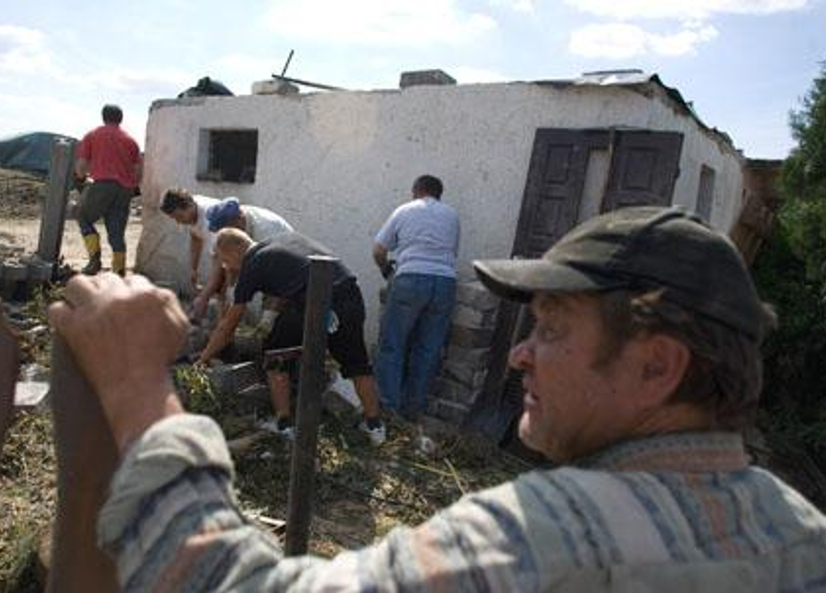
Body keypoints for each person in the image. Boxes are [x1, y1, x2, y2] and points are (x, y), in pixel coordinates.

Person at [49, 207, 826, 591]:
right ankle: (374, 425)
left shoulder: (547, 536)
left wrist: (140, 387)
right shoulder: (800, 533)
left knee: (288, 358)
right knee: (351, 365)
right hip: (342, 301)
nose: (519, 352)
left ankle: (294, 423)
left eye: (550, 330)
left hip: (312, 314)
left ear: (657, 365)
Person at [194, 228, 385, 443]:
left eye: (225, 260)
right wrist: (270, 318)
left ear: (233, 251)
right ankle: (375, 426)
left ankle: (284, 425)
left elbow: (229, 324)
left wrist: (204, 358)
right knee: (356, 363)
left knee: (274, 354)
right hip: (349, 295)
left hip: (315, 301)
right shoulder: (283, 240)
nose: (226, 266)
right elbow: (289, 284)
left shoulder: (252, 264)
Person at [373, 174, 460, 420]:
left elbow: (379, 250)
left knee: (392, 345)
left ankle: (389, 409)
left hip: (410, 280)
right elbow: (452, 252)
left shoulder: (405, 210)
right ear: (438, 194)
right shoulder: (452, 215)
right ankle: (413, 411)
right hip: (444, 283)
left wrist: (386, 270)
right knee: (428, 349)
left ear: (416, 191)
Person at [160, 191, 293, 317]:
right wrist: (194, 269)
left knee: (273, 294)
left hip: (286, 256)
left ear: (238, 220)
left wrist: (204, 298)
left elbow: (222, 266)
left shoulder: (266, 231)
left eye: (179, 216)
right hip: (267, 254)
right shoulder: (214, 218)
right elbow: (221, 259)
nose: (178, 222)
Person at [74, 104, 142, 276]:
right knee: (116, 231)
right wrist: (133, 187)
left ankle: (94, 260)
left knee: (83, 217)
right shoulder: (131, 141)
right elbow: (139, 171)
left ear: (103, 117)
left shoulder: (92, 135)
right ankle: (119, 271)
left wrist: (80, 181)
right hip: (125, 190)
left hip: (102, 185)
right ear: (121, 119)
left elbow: (81, 166)